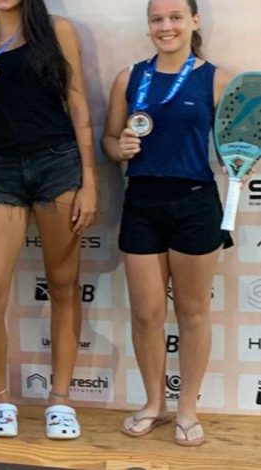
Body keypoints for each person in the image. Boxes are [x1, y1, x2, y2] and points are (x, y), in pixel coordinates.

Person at [0, 0, 98, 437]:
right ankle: (1, 400)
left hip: (58, 165)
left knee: (63, 286)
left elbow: (78, 104)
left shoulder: (58, 30)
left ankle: (60, 400)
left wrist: (89, 180)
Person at [102, 0, 232, 447]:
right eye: (157, 19)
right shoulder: (129, 77)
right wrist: (119, 148)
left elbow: (241, 142)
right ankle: (154, 404)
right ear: (148, 26)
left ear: (194, 21)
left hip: (196, 204)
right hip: (142, 202)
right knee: (146, 314)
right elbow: (109, 140)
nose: (166, 26)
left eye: (176, 17)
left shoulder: (217, 80)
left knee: (192, 313)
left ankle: (187, 409)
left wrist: (241, 160)